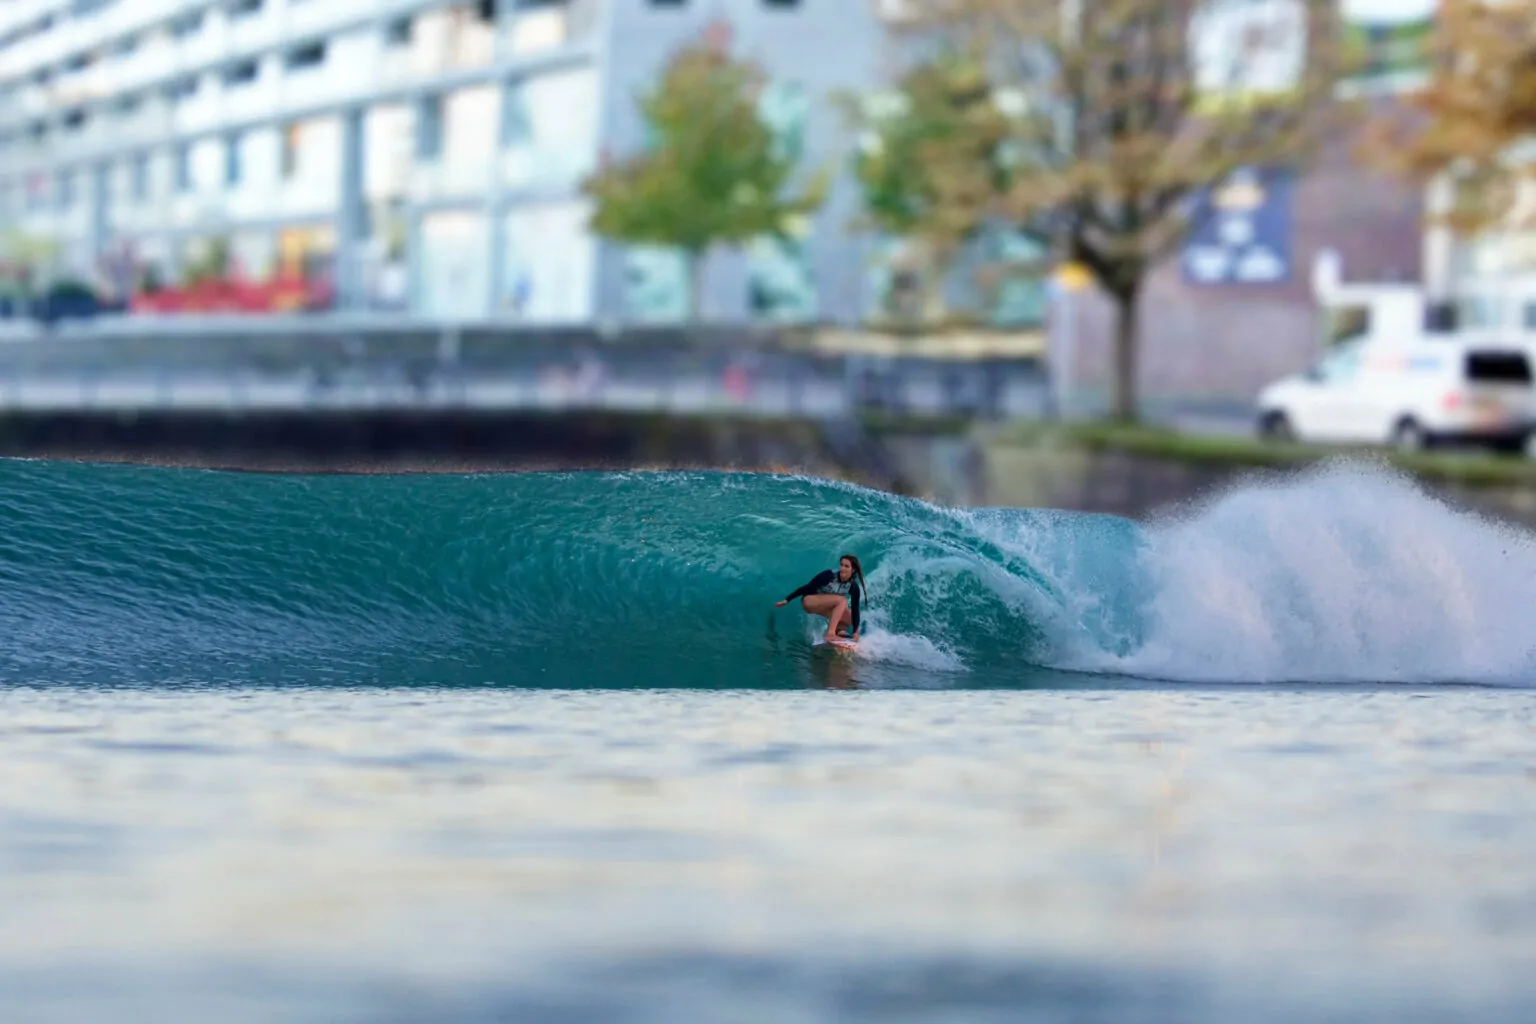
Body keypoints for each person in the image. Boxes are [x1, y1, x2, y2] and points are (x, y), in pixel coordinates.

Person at [776, 554, 867, 643]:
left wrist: (855, 632)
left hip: (825, 606)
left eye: (846, 566)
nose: (842, 568)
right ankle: (830, 634)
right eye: (841, 565)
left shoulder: (853, 586)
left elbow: (856, 609)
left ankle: (838, 631)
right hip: (810, 601)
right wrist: (788, 599)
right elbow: (807, 587)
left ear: (853, 570)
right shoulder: (828, 576)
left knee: (851, 617)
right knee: (842, 601)